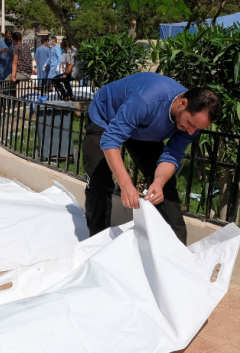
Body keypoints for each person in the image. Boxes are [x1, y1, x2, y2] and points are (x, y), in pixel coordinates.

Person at [84, 72, 220, 240]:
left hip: (144, 130)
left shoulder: (192, 124)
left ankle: (176, 249)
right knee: (99, 181)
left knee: (164, 187)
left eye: (198, 128)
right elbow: (110, 140)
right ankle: (96, 243)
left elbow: (172, 156)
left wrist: (158, 182)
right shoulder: (147, 99)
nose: (192, 132)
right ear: (183, 103)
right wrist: (126, 184)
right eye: (191, 124)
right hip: (106, 116)